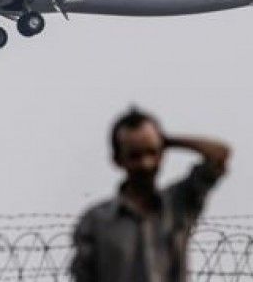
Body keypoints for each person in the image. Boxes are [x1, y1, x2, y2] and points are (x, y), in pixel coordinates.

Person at [70, 108, 231, 282]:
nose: (145, 163)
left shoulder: (178, 204)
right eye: (135, 155)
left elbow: (219, 155)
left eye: (151, 152)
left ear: (161, 155)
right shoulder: (97, 221)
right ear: (117, 159)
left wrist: (167, 141)